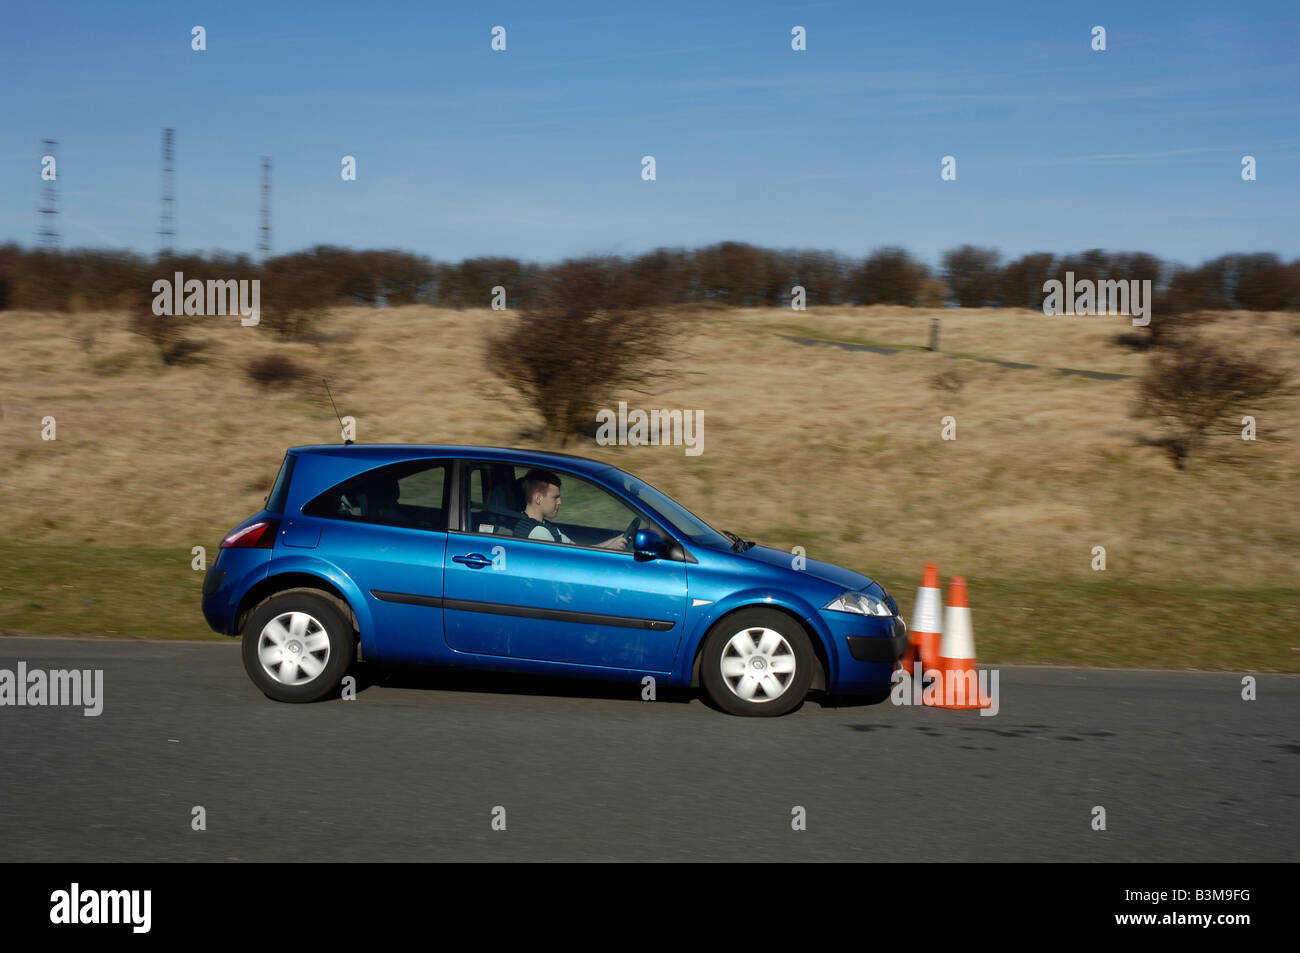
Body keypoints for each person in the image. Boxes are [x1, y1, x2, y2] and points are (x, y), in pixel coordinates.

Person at [515, 469, 627, 550]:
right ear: (538, 499)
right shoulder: (539, 533)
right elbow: (570, 564)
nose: (560, 502)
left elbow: (580, 550)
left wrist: (614, 542)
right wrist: (611, 549)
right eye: (555, 497)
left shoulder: (545, 526)